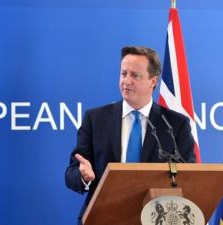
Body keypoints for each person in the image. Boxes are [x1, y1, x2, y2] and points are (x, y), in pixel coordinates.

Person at [64, 46, 196, 225]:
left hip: (157, 217)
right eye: (123, 73)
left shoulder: (175, 124)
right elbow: (71, 173)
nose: (126, 81)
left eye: (135, 75)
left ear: (153, 81)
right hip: (102, 217)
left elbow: (190, 175)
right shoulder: (95, 119)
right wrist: (83, 177)